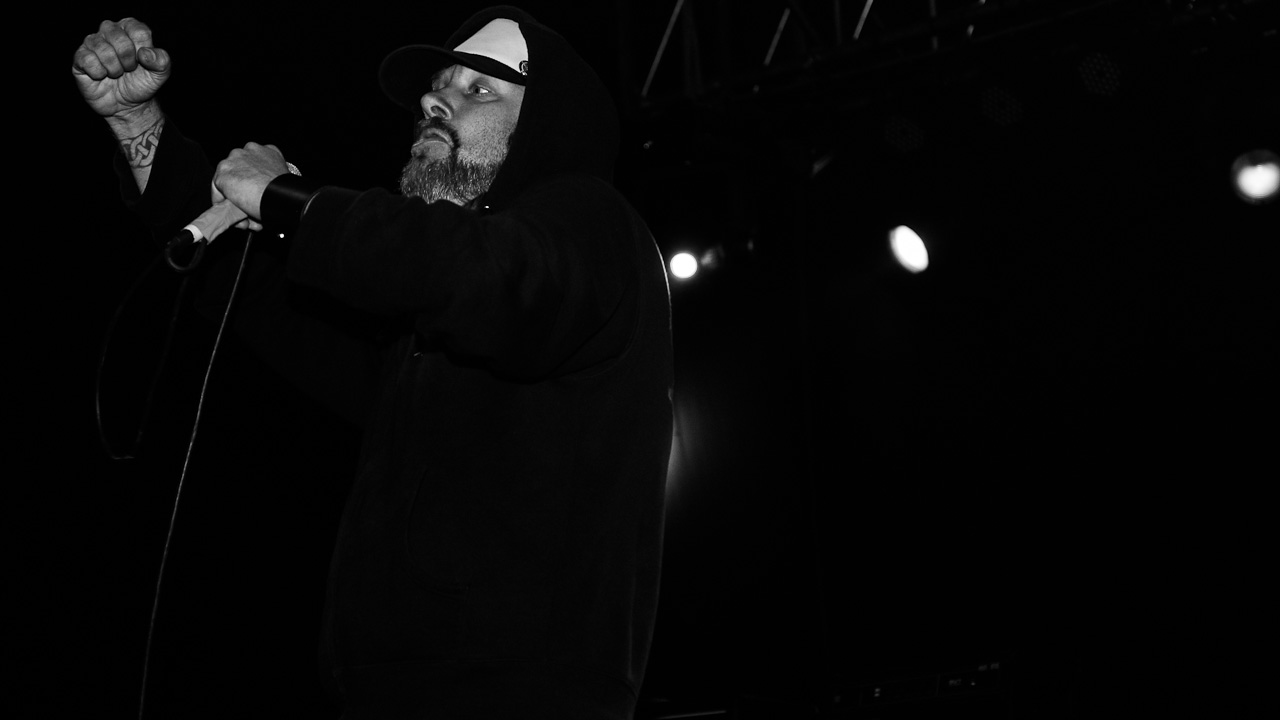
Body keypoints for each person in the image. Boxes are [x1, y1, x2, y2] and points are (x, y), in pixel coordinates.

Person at [73, 7, 674, 719]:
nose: (434, 100)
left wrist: (293, 200)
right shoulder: (427, 329)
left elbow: (482, 276)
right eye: (437, 86)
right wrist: (139, 127)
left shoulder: (593, 225)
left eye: (479, 89)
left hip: (517, 691)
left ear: (547, 125)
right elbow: (271, 300)